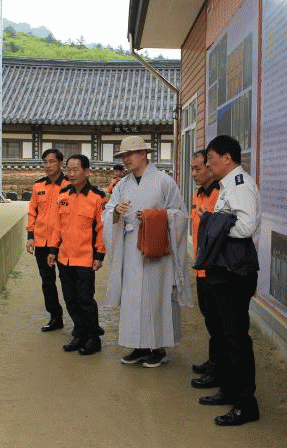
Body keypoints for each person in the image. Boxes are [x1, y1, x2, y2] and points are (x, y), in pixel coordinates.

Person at [103, 135, 191, 368]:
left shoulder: (164, 182)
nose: (126, 159)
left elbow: (180, 215)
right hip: (131, 248)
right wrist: (116, 211)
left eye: (130, 154)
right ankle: (138, 345)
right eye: (123, 156)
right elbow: (108, 211)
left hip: (156, 248)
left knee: (156, 296)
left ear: (143, 154)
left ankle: (158, 348)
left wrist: (155, 217)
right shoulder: (122, 185)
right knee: (132, 298)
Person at [197, 135, 261, 426]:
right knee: (224, 334)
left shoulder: (240, 184)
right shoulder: (227, 185)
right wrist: (215, 221)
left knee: (236, 338)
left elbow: (246, 226)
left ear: (227, 158)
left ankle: (246, 403)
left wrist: (211, 223)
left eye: (210, 159)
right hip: (223, 269)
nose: (208, 164)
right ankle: (229, 389)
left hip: (234, 272)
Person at [47, 155, 106, 356]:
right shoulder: (63, 196)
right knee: (70, 300)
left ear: (87, 171)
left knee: (85, 300)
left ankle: (93, 338)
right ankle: (79, 333)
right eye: (68, 170)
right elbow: (57, 226)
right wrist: (53, 250)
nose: (71, 174)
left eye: (75, 170)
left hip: (85, 259)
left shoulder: (97, 198)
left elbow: (101, 229)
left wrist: (99, 254)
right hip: (64, 258)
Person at [188, 150, 222, 388]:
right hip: (201, 269)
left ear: (210, 168)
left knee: (218, 323)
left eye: (197, 168)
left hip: (214, 269)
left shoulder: (220, 195)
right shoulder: (199, 194)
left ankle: (219, 370)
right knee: (210, 319)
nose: (193, 173)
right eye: (192, 168)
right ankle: (213, 361)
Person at [26, 149, 69, 332]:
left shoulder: (70, 185)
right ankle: (55, 317)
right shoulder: (38, 186)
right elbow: (32, 211)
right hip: (42, 242)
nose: (48, 165)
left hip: (64, 243)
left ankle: (79, 320)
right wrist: (30, 236)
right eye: (45, 162)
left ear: (61, 163)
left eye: (52, 161)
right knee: (47, 281)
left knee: (68, 281)